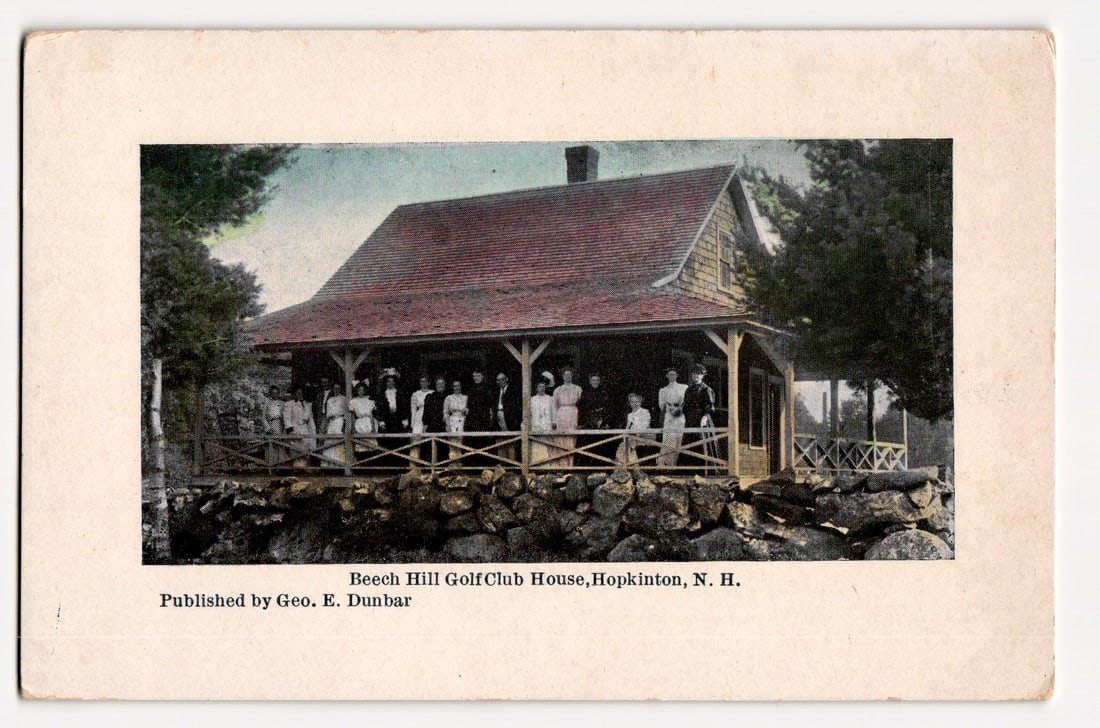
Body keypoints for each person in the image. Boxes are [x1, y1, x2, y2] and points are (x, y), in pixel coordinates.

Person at [681, 363, 717, 467]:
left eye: (698, 375)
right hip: (690, 420)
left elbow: (710, 406)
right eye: (694, 374)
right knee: (689, 443)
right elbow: (685, 406)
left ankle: (704, 468)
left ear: (702, 376)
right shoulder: (689, 389)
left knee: (702, 443)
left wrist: (704, 418)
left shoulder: (706, 389)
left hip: (702, 419)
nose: (695, 377)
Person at [551, 365, 583, 467]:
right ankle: (562, 464)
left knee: (572, 438)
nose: (567, 377)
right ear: (562, 376)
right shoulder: (558, 390)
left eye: (569, 375)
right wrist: (554, 420)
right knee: (561, 438)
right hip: (561, 414)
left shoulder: (578, 389)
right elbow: (554, 406)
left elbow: (582, 404)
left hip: (573, 413)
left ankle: (571, 463)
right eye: (565, 375)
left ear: (572, 376)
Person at [658, 366, 688, 467]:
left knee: (678, 439)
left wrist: (679, 406)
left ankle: (674, 465)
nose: (672, 376)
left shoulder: (684, 387)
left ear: (677, 375)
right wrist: (670, 406)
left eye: (674, 374)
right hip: (669, 417)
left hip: (680, 416)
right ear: (667, 376)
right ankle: (665, 464)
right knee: (668, 440)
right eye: (670, 375)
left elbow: (686, 401)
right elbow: (661, 405)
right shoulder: (663, 390)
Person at [578, 372, 611, 465]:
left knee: (602, 445)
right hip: (590, 423)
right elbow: (583, 410)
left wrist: (604, 421)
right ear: (590, 382)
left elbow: (608, 408)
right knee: (590, 446)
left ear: (599, 381)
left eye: (597, 380)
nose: (595, 382)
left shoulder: (604, 393)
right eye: (593, 380)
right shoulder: (586, 393)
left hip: (602, 423)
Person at [464, 368, 495, 464]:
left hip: (484, 418)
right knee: (473, 441)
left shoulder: (487, 389)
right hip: (473, 419)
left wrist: (490, 420)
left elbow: (490, 406)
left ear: (482, 376)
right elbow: (468, 405)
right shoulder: (471, 389)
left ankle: (485, 465)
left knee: (484, 442)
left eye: (478, 376)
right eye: (474, 376)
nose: (476, 378)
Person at [282, 387, 316, 467]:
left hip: (305, 430)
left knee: (306, 450)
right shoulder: (289, 404)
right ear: (294, 394)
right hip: (295, 430)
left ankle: (304, 468)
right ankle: (296, 468)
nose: (300, 395)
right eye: (298, 393)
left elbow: (310, 419)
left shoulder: (307, 404)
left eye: (301, 393)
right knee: (296, 450)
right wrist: (291, 431)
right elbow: (287, 418)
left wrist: (312, 431)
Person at [616, 392, 653, 466]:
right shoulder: (629, 415)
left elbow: (644, 425)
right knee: (623, 445)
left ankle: (630, 468)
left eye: (637, 401)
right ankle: (627, 468)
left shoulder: (645, 411)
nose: (635, 404)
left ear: (640, 402)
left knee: (628, 445)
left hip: (645, 436)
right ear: (629, 403)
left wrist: (634, 434)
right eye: (632, 402)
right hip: (633, 438)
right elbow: (627, 428)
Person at [493, 372, 522, 462]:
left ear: (506, 379)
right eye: (498, 380)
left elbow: (517, 407)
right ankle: (503, 466)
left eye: (502, 379)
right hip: (498, 415)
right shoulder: (496, 391)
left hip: (509, 418)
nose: (500, 382)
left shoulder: (513, 390)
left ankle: (512, 466)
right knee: (500, 442)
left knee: (511, 442)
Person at [529, 376, 556, 466]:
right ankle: (536, 465)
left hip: (546, 424)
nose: (542, 389)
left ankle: (547, 465)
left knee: (547, 445)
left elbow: (553, 411)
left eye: (543, 387)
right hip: (536, 424)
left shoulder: (549, 399)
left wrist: (553, 422)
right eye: (540, 387)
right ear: (536, 388)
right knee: (537, 445)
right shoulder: (532, 399)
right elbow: (530, 413)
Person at [321, 382, 350, 468]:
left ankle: (339, 464)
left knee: (339, 440)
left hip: (339, 421)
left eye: (338, 388)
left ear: (341, 389)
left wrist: (344, 424)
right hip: (331, 422)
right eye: (335, 388)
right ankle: (329, 464)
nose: (336, 390)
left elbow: (346, 413)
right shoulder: (329, 400)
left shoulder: (344, 399)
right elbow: (327, 414)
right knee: (330, 441)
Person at [420, 376, 448, 464]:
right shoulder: (430, 396)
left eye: (442, 383)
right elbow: (426, 412)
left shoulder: (448, 396)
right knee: (429, 448)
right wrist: (425, 424)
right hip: (432, 425)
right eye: (438, 384)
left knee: (443, 448)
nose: (440, 385)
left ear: (445, 385)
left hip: (444, 426)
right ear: (435, 385)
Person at [348, 382, 378, 457]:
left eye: (362, 390)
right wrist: (353, 427)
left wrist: (373, 427)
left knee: (370, 445)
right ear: (357, 391)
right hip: (359, 423)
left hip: (368, 422)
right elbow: (353, 416)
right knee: (361, 445)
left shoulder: (369, 401)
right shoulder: (354, 401)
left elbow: (371, 415)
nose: (361, 392)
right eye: (359, 390)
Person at [443, 379, 468, 462]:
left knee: (460, 443)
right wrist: (447, 425)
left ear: (461, 386)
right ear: (452, 387)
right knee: (452, 443)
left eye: (458, 385)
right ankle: (453, 465)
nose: (456, 387)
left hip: (462, 421)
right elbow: (446, 412)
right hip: (452, 421)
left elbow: (468, 411)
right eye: (454, 386)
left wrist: (466, 411)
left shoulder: (465, 397)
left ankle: (460, 465)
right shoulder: (449, 398)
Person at [263, 385, 286, 466]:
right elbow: (263, 417)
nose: (275, 395)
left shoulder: (282, 403)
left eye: (276, 393)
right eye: (273, 393)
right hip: (271, 424)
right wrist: (268, 428)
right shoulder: (267, 403)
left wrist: (284, 427)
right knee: (271, 445)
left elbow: (285, 416)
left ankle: (280, 464)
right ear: (270, 394)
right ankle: (271, 465)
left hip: (280, 425)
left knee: (280, 445)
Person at [409, 375, 433, 440]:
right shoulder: (415, 394)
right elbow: (413, 409)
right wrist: (412, 424)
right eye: (422, 381)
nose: (423, 383)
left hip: (429, 416)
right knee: (417, 436)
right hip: (419, 417)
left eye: (425, 381)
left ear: (429, 382)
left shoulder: (432, 393)